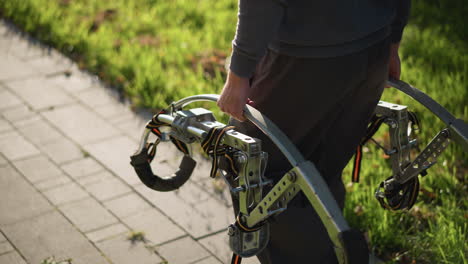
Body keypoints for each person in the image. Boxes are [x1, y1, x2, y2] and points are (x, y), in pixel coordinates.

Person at [217, 0, 411, 263]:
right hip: (372, 45)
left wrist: (239, 75)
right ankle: (326, 250)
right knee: (323, 166)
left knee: (257, 164)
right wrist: (392, 41)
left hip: (304, 57)